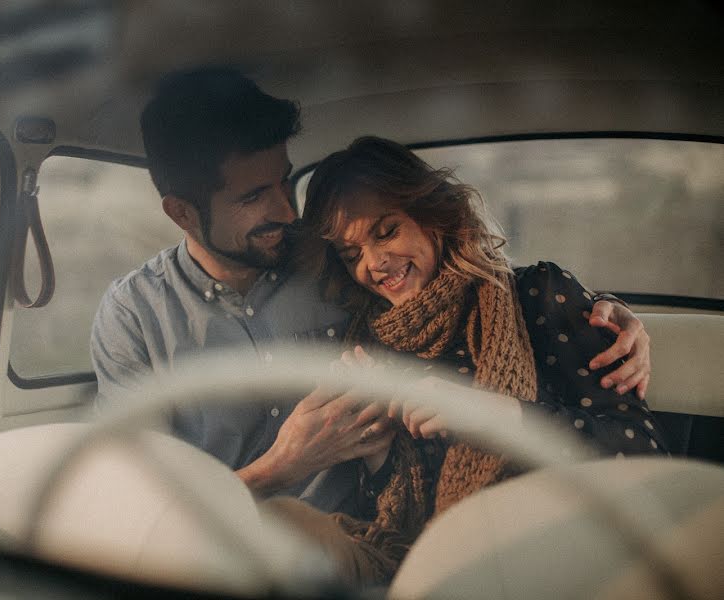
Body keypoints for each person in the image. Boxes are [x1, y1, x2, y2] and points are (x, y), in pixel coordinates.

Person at [90, 67, 654, 518]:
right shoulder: (133, 318)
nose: (287, 211)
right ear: (181, 212)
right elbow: (136, 505)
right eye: (255, 196)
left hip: (356, 544)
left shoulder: (329, 268)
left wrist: (605, 313)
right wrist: (284, 465)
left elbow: (474, 282)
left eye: (286, 180)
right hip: (220, 550)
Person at [274, 135, 669, 584]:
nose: (375, 263)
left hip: (552, 547)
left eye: (386, 232)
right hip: (428, 563)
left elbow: (643, 448)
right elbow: (394, 513)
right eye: (352, 255)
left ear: (432, 216)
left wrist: (500, 415)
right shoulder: (370, 341)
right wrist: (378, 451)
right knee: (283, 528)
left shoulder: (537, 293)